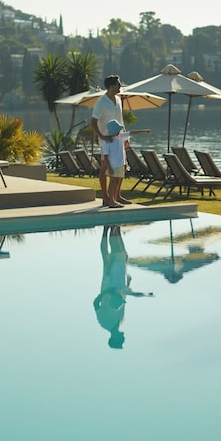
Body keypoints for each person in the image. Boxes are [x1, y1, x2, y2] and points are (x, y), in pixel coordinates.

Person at [93, 225, 152, 349]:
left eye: (120, 340)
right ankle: (116, 228)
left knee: (109, 256)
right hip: (119, 284)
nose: (122, 337)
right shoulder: (120, 321)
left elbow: (96, 304)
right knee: (122, 255)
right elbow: (123, 300)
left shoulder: (105, 323)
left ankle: (106, 230)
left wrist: (106, 292)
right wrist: (128, 284)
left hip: (109, 284)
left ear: (113, 338)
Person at [91, 75, 124, 207]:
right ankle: (106, 197)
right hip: (107, 140)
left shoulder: (119, 100)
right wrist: (101, 136)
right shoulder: (101, 102)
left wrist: (125, 137)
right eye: (118, 84)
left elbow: (121, 120)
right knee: (105, 167)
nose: (120, 86)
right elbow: (93, 122)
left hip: (119, 139)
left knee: (122, 166)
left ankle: (116, 196)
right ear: (111, 86)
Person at [101, 120, 130, 208]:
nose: (119, 132)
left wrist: (144, 131)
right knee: (113, 182)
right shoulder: (107, 142)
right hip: (113, 165)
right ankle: (111, 201)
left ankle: (113, 200)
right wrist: (109, 167)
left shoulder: (120, 138)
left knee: (116, 182)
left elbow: (131, 133)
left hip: (120, 164)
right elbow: (106, 156)